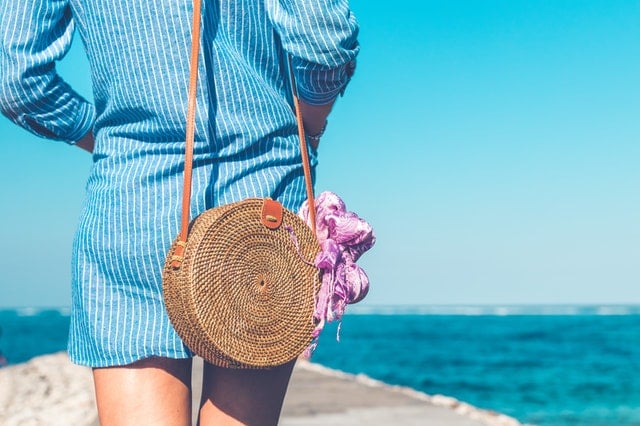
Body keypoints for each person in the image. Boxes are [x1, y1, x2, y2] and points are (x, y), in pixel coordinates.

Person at [0, 1, 359, 425]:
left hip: (132, 199)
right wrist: (310, 126)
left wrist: (109, 140)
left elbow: (18, 80)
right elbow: (325, 39)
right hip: (261, 193)